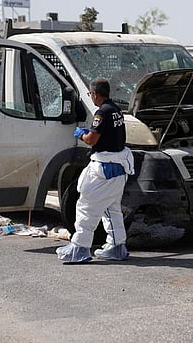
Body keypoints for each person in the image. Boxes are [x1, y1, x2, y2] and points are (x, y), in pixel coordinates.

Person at [56, 78, 135, 263]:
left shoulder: (102, 113)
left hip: (103, 170)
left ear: (95, 94)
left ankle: (79, 248)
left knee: (86, 207)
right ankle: (117, 246)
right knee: (111, 209)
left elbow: (92, 140)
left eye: (90, 93)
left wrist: (82, 133)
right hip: (118, 169)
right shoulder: (116, 110)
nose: (91, 96)